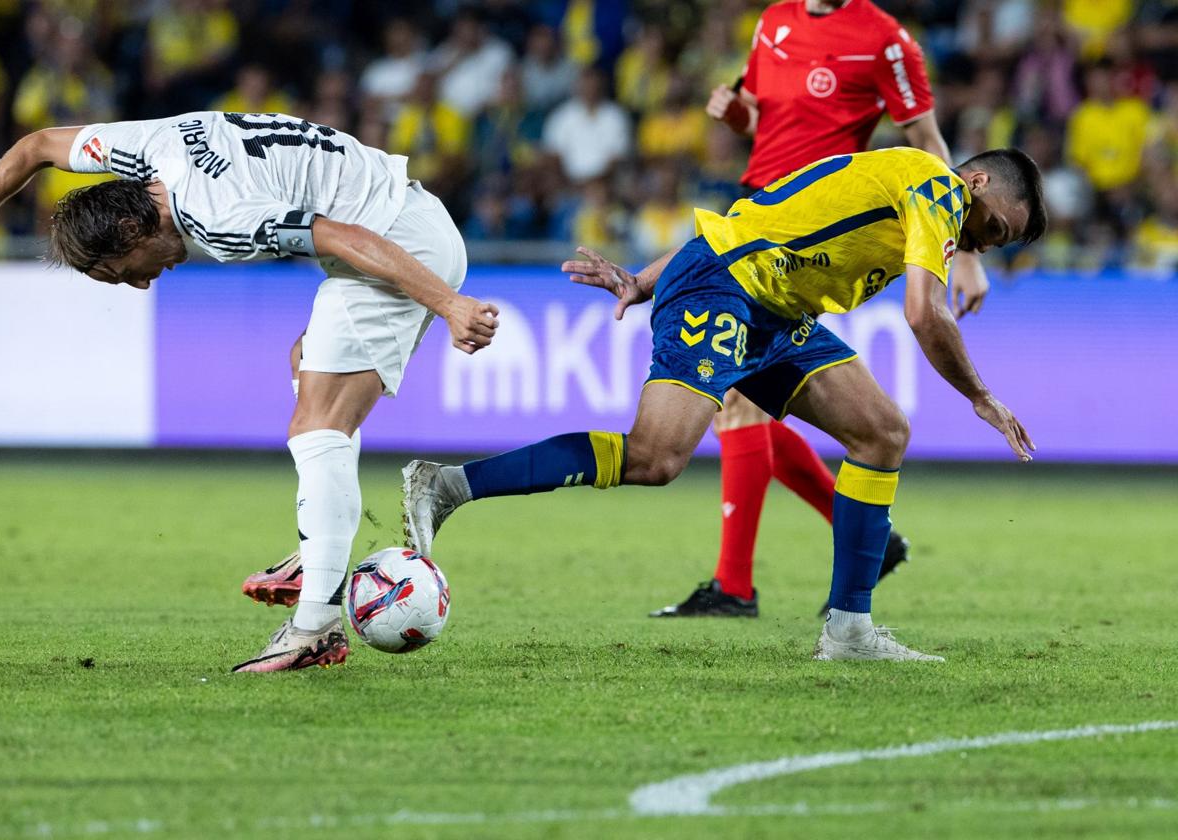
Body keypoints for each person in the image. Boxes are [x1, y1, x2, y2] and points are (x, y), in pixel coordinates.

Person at [401, 145, 1046, 661]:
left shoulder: (906, 188)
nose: (990, 241)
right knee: (655, 458)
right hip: (726, 286)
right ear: (980, 182)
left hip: (770, 306)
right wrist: (981, 397)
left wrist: (641, 279)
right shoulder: (938, 186)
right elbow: (924, 312)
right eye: (998, 226)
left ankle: (849, 630)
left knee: (882, 432)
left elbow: (751, 216)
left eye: (1003, 242)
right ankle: (448, 484)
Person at [0, 111, 499, 672]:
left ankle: (315, 625)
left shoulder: (216, 217)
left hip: (394, 240)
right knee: (305, 365)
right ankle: (319, 550)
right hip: (403, 215)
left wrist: (450, 304)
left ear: (131, 231)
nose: (142, 282)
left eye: (121, 271)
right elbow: (35, 147)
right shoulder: (144, 148)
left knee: (318, 425)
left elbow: (343, 236)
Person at [656, 0, 994, 619]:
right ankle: (865, 539)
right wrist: (736, 115)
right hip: (762, 211)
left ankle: (734, 587)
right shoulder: (774, 22)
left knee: (732, 400)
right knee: (747, 400)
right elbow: (761, 120)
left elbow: (927, 140)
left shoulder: (886, 39)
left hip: (820, 237)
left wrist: (964, 249)